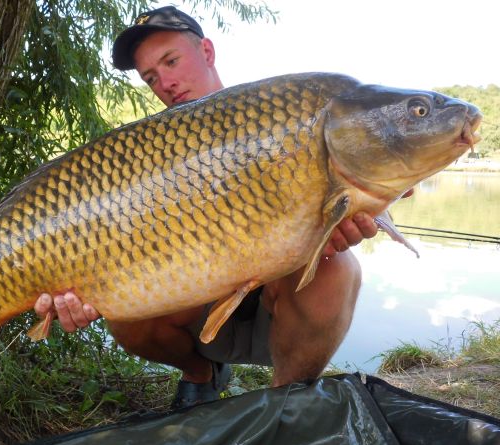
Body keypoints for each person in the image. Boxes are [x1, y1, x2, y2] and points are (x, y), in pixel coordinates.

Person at [34, 6, 379, 408]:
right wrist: (80, 287)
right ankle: (200, 374)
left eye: (171, 61)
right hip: (200, 313)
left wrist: (360, 219)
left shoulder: (278, 115)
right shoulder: (146, 157)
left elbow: (361, 189)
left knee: (337, 267)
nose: (165, 82)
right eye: (150, 77)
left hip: (281, 310)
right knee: (123, 315)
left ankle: (284, 403)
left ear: (208, 52)